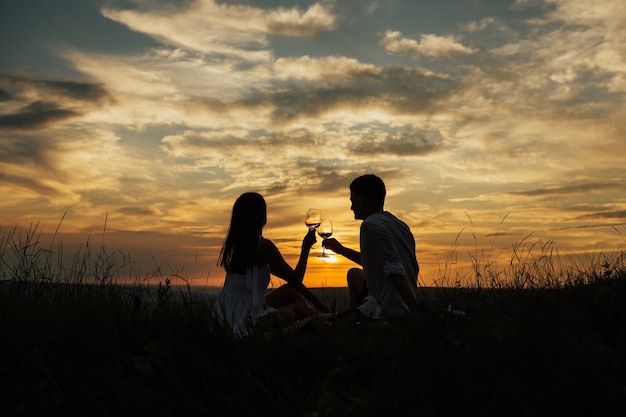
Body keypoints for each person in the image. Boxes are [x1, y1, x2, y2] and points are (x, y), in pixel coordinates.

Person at [214, 192, 330, 336]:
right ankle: (328, 320)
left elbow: (292, 284)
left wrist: (317, 302)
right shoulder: (263, 246)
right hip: (247, 319)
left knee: (288, 291)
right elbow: (296, 280)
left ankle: (323, 315)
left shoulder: (236, 245)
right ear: (262, 216)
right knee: (299, 308)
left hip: (228, 311)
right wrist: (305, 248)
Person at [322, 174, 419, 319]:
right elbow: (377, 262)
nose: (351, 207)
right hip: (401, 298)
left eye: (352, 200)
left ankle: (357, 323)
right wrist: (341, 250)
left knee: (316, 321)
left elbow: (394, 269)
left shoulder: (370, 226)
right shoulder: (400, 225)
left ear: (361, 200)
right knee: (353, 273)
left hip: (386, 309)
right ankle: (356, 318)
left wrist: (415, 312)